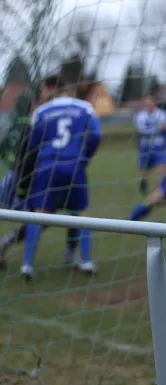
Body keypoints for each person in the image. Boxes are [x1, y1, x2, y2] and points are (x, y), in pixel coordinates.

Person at [20, 76, 103, 281]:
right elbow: (95, 135)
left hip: (47, 166)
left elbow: (31, 145)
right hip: (74, 165)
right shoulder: (84, 107)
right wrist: (85, 157)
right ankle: (85, 260)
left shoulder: (41, 111)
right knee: (80, 213)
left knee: (38, 215)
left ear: (51, 90)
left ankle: (27, 265)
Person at [0, 82, 78, 270]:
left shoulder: (56, 123)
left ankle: (69, 255)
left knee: (61, 213)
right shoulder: (31, 123)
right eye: (48, 98)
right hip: (19, 180)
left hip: (42, 181)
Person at [134, 94, 166, 195]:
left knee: (161, 166)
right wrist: (158, 129)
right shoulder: (140, 116)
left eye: (150, 102)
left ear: (154, 103)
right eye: (146, 103)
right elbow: (141, 130)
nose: (148, 105)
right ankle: (144, 183)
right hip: (145, 146)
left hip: (158, 145)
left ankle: (162, 187)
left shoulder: (162, 114)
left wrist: (165, 130)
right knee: (146, 168)